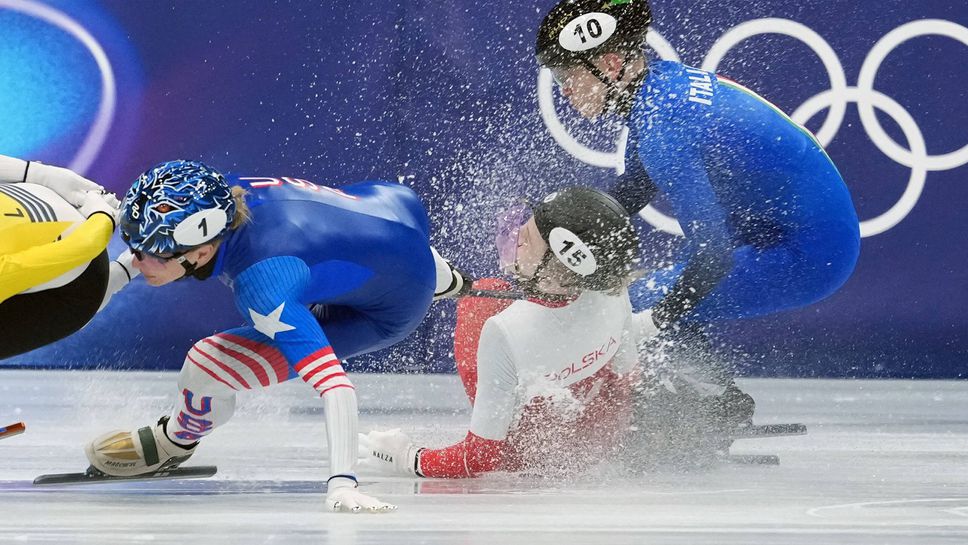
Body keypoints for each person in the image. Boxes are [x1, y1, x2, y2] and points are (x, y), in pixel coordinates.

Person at [533, 0, 861, 450]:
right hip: (779, 227)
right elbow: (631, 193)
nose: (564, 92)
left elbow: (714, 256)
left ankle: (713, 404)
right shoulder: (658, 88)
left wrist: (653, 320)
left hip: (810, 252)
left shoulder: (663, 126)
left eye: (568, 77)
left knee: (638, 300)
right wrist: (556, 241)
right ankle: (706, 399)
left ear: (611, 63)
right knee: (638, 293)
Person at [83, 160, 467, 513]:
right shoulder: (221, 194)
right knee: (381, 256)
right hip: (394, 208)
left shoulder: (263, 286)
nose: (137, 260)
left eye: (151, 254)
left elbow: (336, 387)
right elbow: (370, 235)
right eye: (135, 246)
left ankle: (175, 441)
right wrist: (111, 281)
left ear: (200, 254)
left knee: (205, 365)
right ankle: (445, 276)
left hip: (384, 311)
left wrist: (342, 483)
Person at [359, 187, 653, 478]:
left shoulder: (506, 330)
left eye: (525, 238)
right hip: (604, 433)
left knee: (481, 301)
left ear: (555, 268)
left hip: (532, 453)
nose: (514, 238)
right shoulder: (612, 285)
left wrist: (408, 457)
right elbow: (627, 378)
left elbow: (479, 458)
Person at [0, 154, 135, 359]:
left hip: (80, 288)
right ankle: (126, 268)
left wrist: (102, 216)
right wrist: (36, 173)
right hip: (50, 198)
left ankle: (119, 275)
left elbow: (84, 247)